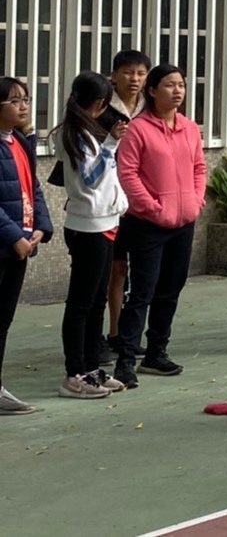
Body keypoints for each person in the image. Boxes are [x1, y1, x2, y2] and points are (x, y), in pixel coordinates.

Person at [112, 65, 207, 388]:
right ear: (152, 91)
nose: (177, 91)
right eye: (169, 85)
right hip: (147, 224)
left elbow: (199, 167)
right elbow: (127, 173)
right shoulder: (138, 129)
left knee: (170, 289)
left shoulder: (189, 128)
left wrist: (195, 201)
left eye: (181, 85)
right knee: (142, 292)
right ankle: (125, 360)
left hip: (183, 222)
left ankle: (156, 352)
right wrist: (150, 206)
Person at [56, 73, 129, 398]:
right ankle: (74, 373)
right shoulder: (74, 134)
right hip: (88, 227)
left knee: (97, 300)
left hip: (104, 222)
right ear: (100, 103)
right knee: (81, 303)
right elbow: (92, 178)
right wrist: (112, 144)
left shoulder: (83, 131)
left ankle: (90, 367)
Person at [0, 77, 51, 414]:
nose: (24, 106)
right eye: (15, 100)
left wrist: (41, 228)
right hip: (7, 243)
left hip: (20, 244)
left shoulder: (19, 141)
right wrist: (12, 235)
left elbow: (33, 188)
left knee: (3, 320)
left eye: (26, 99)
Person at [102, 49, 149, 367]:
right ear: (114, 75)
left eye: (141, 74)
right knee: (115, 268)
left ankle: (128, 334)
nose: (134, 79)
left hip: (140, 199)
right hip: (108, 199)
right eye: (128, 72)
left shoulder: (150, 107)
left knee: (138, 269)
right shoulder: (103, 107)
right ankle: (113, 332)